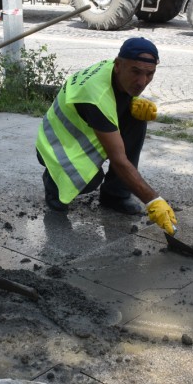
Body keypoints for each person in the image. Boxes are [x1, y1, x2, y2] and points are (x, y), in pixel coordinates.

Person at [35, 37, 178, 236]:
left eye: (149, 74)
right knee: (89, 180)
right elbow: (118, 160)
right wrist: (153, 200)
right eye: (136, 72)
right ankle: (54, 185)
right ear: (118, 65)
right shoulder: (95, 95)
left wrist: (132, 102)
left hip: (85, 135)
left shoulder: (115, 74)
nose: (142, 82)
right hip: (57, 148)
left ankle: (115, 195)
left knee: (137, 116)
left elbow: (118, 98)